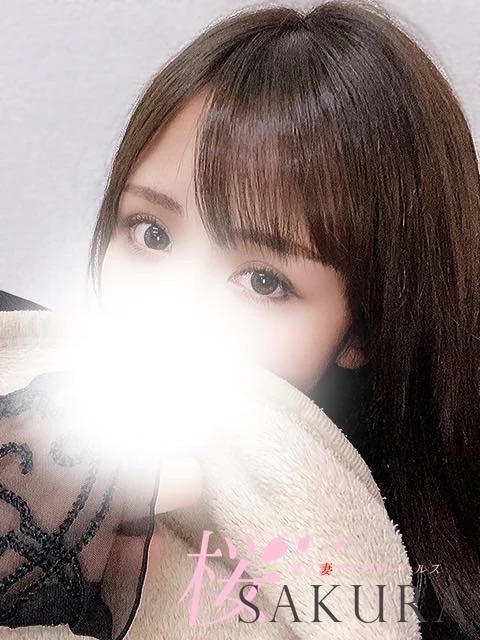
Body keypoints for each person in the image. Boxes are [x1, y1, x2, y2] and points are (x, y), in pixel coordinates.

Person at [1, 0, 479, 638]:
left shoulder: (398, 588)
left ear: (362, 331)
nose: (168, 308)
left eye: (262, 281)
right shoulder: (20, 389)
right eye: (150, 233)